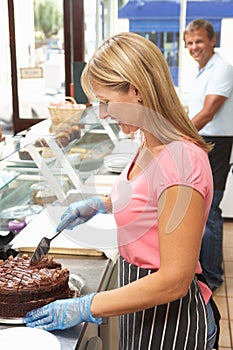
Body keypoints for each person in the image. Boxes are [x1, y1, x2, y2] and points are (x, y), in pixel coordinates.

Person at [24, 32, 220, 349]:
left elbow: (174, 281)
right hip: (140, 303)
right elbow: (151, 196)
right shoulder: (149, 141)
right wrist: (103, 204)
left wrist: (84, 306)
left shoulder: (181, 163)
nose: (102, 114)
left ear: (137, 91)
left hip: (170, 317)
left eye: (105, 102)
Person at [184, 19, 233, 292]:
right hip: (204, 140)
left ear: (212, 41)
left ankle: (212, 276)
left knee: (210, 209)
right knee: (203, 208)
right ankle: (205, 267)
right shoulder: (202, 69)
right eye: (190, 43)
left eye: (199, 41)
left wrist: (175, 135)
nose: (194, 47)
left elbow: (208, 112)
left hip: (217, 142)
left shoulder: (222, 68)